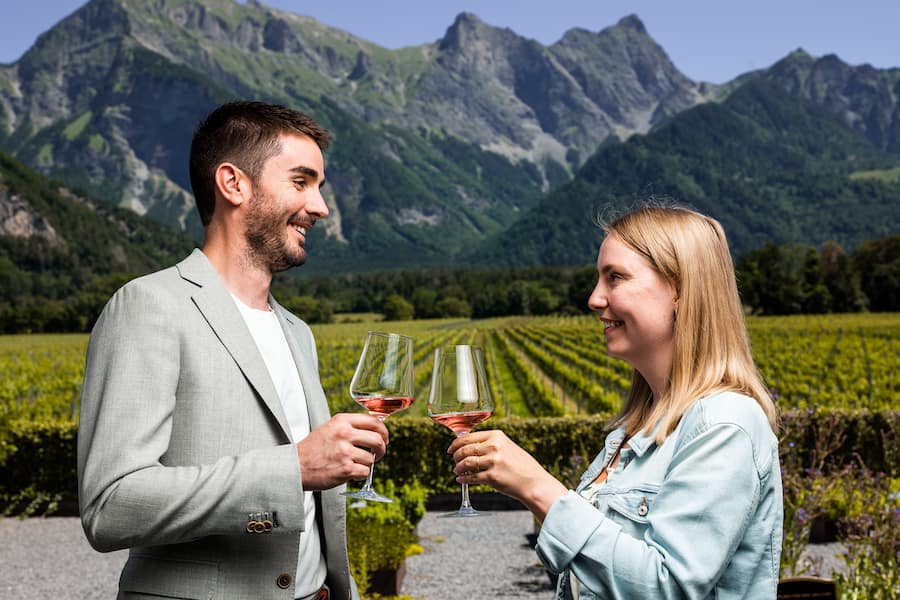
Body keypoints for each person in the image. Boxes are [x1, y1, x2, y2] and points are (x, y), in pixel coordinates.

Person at [77, 101, 389, 600]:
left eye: (319, 187)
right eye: (301, 181)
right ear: (234, 184)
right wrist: (294, 469)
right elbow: (112, 505)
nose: (320, 207)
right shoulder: (149, 306)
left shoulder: (297, 331)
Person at [450, 205, 783, 598]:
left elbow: (668, 587)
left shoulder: (724, 423)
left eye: (616, 278)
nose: (594, 299)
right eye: (599, 278)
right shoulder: (639, 427)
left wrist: (538, 488)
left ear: (679, 289)